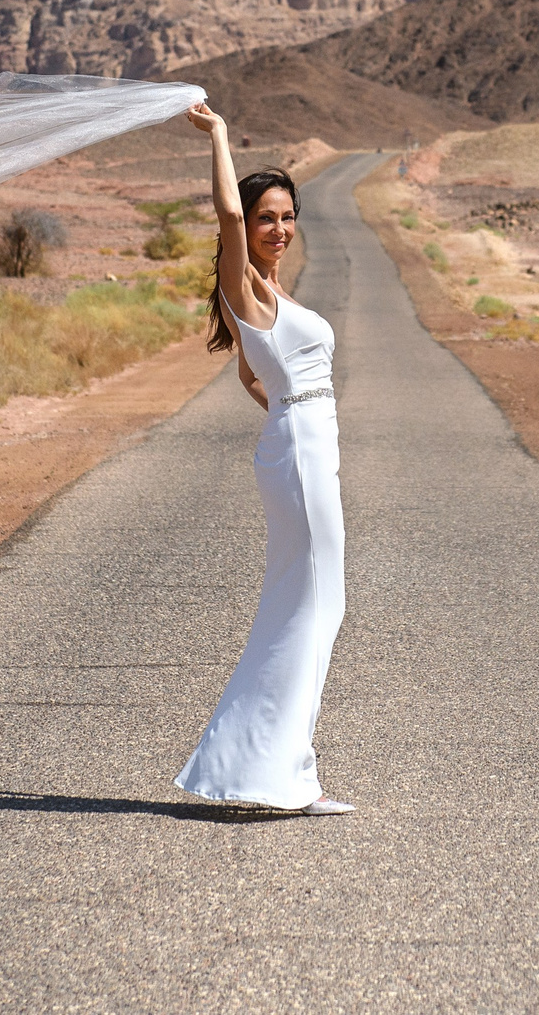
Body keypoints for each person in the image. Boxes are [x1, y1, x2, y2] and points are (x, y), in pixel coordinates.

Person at [172, 101, 352, 815]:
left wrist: (282, 405)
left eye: (286, 215)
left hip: (304, 446)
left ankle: (271, 768)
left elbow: (254, 373)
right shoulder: (244, 282)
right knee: (310, 608)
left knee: (310, 606)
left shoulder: (275, 293)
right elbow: (222, 213)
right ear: (246, 229)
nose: (278, 227)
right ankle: (285, 774)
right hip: (302, 455)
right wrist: (218, 134)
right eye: (264, 217)